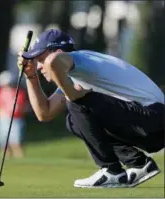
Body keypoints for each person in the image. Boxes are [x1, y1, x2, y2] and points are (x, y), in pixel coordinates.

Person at [17, 29, 165, 188]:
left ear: (59, 51)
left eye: (40, 59)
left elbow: (53, 61)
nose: (39, 67)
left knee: (75, 102)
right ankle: (139, 164)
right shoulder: (77, 75)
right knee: (73, 120)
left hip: (154, 118)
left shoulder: (79, 59)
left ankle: (111, 170)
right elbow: (44, 113)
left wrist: (72, 94)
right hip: (150, 125)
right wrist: (30, 76)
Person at [0, 70, 27, 158]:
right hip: (3, 119)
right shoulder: (0, 92)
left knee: (16, 143)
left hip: (15, 120)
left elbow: (21, 107)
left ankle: (20, 160)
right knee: (4, 144)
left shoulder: (19, 92)